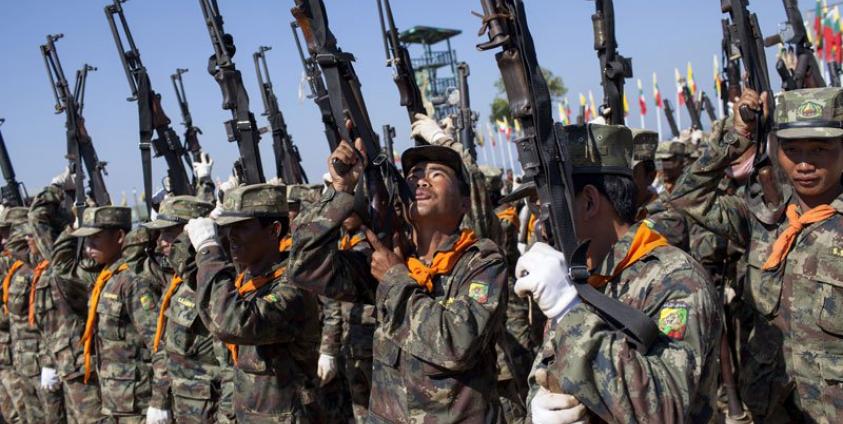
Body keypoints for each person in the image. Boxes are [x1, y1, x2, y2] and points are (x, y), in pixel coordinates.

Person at [515, 122, 722, 423]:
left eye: (550, 203)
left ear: (588, 201)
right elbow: (548, 368)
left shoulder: (677, 280)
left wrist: (568, 311)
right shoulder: (581, 277)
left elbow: (666, 409)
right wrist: (540, 405)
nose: (541, 220)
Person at [288, 141, 508, 422]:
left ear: (464, 202)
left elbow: (458, 344)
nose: (421, 180)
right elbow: (304, 266)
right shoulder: (390, 257)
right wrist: (340, 190)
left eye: (437, 174)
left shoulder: (481, 261)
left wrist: (394, 278)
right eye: (414, 174)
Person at [670, 86, 843, 422]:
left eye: (821, 148)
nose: (804, 163)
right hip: (769, 406)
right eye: (791, 149)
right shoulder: (761, 217)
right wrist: (738, 136)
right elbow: (687, 197)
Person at [185, 183, 322, 422]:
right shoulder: (246, 277)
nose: (232, 236)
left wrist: (209, 250)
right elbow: (186, 267)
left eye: (242, 227)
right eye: (229, 228)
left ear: (274, 230)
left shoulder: (294, 287)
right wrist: (207, 226)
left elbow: (232, 322)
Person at [70, 206, 162, 422]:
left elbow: (158, 345)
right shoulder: (106, 277)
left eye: (95, 239)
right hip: (115, 399)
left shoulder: (132, 282)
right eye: (86, 240)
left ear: (119, 236)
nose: (88, 248)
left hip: (138, 402)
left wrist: (159, 402)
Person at [144, 195, 230, 424]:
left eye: (169, 233)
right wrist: (160, 399)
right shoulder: (175, 282)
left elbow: (231, 367)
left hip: (211, 410)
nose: (160, 241)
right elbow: (167, 349)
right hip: (182, 405)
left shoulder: (216, 285)